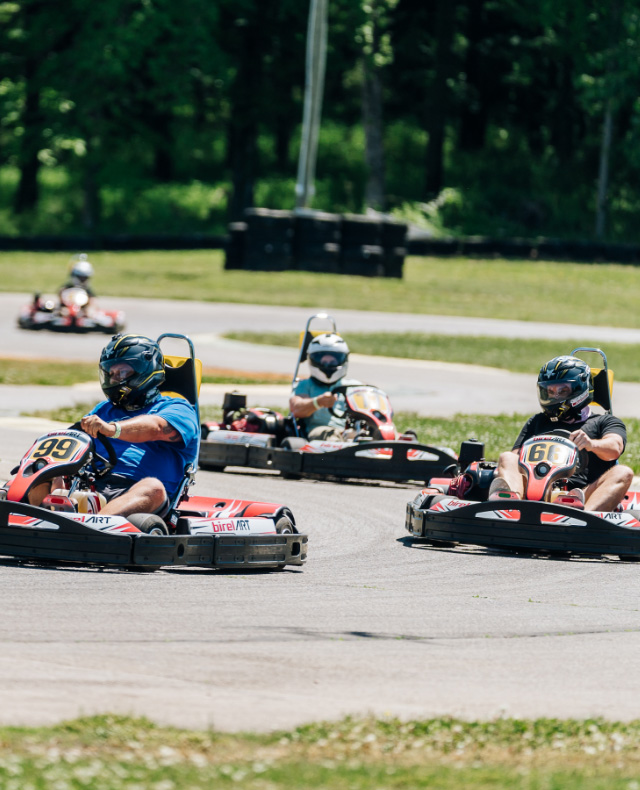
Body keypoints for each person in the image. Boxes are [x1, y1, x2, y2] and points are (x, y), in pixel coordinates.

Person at [29, 334, 199, 519]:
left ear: (145, 371)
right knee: (42, 472)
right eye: (111, 373)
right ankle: (30, 518)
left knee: (153, 487)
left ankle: (93, 525)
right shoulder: (103, 410)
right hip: (91, 487)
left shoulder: (177, 408)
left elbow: (156, 427)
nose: (115, 379)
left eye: (122, 372)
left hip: (136, 493)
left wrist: (112, 429)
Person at [491, 355, 633, 512]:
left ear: (579, 390)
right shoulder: (538, 421)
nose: (555, 396)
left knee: (623, 472)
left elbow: (614, 448)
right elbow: (514, 460)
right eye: (550, 391)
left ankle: (586, 519)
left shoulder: (605, 422)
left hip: (581, 496)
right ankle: (511, 507)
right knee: (508, 457)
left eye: (562, 390)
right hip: (532, 490)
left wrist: (591, 444)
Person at [289, 332, 360, 441]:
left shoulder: (354, 386)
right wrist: (318, 402)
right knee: (330, 435)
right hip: (320, 432)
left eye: (332, 361)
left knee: (382, 429)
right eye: (323, 361)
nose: (328, 365)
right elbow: (296, 408)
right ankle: (339, 450)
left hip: (351, 431)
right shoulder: (305, 385)